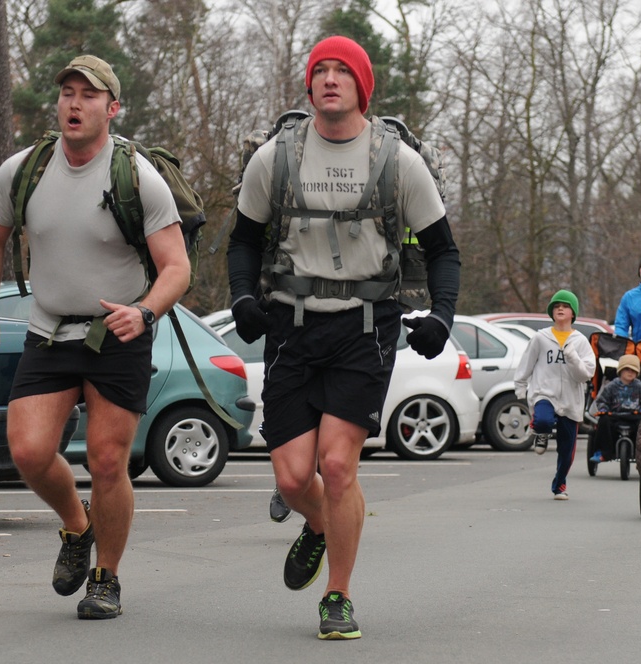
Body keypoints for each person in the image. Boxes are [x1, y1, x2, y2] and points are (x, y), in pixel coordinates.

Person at [225, 36, 460, 640]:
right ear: (309, 86)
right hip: (290, 325)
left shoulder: (398, 162)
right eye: (320, 71)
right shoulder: (274, 158)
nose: (330, 79)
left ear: (362, 85)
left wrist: (443, 316)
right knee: (291, 478)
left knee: (337, 465)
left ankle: (338, 595)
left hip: (365, 325)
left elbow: (442, 250)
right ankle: (322, 525)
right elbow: (245, 240)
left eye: (342, 71)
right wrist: (242, 298)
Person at [0, 55, 190, 619]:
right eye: (67, 91)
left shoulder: (138, 176)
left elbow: (176, 268)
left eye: (88, 95)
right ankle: (76, 525)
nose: (74, 102)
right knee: (29, 451)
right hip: (48, 329)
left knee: (108, 461)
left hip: (119, 331)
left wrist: (143, 312)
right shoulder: (24, 170)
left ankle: (106, 577)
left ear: (112, 109)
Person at [514, 290, 597, 500]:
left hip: (570, 400)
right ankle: (541, 433)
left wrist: (572, 356)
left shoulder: (580, 342)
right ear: (552, 312)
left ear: (573, 313)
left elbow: (585, 375)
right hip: (544, 393)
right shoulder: (541, 338)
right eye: (556, 306)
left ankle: (559, 485)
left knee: (566, 450)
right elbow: (526, 364)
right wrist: (520, 386)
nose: (560, 308)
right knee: (542, 420)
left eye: (565, 306)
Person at [587, 353, 641, 464]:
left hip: (633, 415)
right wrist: (604, 410)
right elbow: (602, 401)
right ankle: (603, 452)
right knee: (603, 421)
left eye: (633, 370)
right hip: (614, 415)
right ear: (620, 370)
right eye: (627, 370)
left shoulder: (640, 386)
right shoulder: (611, 385)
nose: (630, 373)